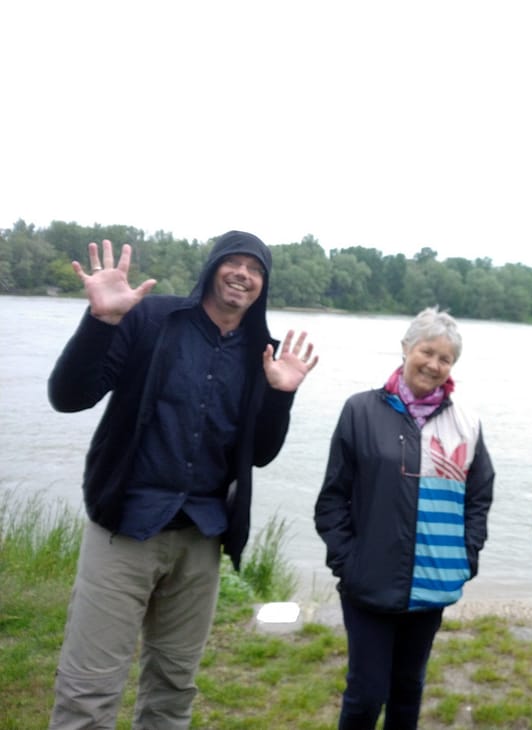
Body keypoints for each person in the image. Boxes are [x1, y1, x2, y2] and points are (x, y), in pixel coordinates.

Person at [47, 231, 318, 729]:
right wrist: (101, 322)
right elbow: (68, 397)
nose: (243, 274)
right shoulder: (151, 319)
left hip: (200, 538)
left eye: (256, 269)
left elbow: (259, 455)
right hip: (123, 528)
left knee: (173, 690)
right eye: (234, 262)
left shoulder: (263, 353)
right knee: (88, 691)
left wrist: (281, 396)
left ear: (264, 284)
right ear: (212, 267)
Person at [314, 306, 494, 730]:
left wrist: (466, 556)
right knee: (365, 695)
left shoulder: (466, 422)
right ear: (406, 348)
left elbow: (479, 496)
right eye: (427, 352)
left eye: (445, 358)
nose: (433, 364)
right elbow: (333, 498)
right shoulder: (360, 410)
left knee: (408, 689)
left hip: (433, 580)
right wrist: (348, 561)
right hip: (368, 580)